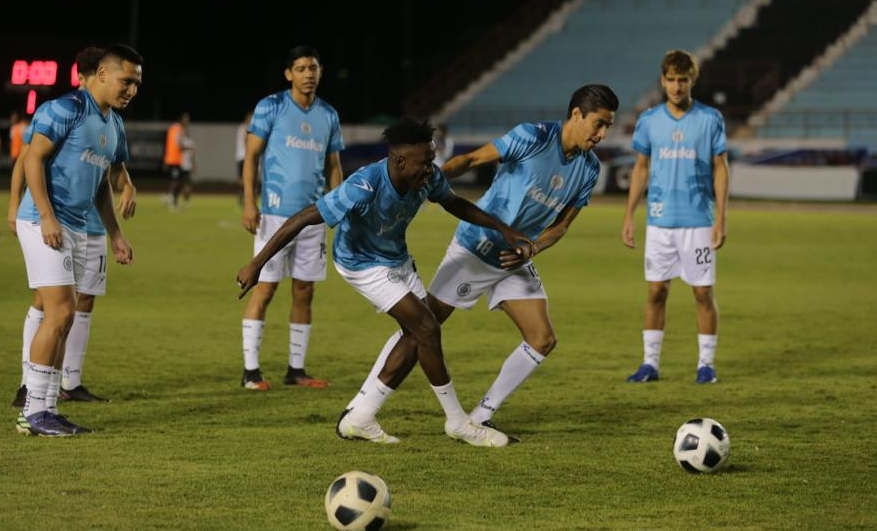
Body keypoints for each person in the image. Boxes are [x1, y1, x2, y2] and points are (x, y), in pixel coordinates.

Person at [236, 118, 537, 447]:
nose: (431, 168)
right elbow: (305, 217)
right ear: (400, 161)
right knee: (426, 327)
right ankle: (459, 422)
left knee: (417, 334)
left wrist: (504, 230)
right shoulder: (363, 185)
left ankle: (361, 417)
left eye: (432, 159)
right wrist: (257, 263)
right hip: (360, 262)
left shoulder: (427, 178)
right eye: (425, 162)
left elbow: (453, 203)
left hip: (396, 258)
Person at [353, 85, 619, 439]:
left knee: (542, 339)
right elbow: (472, 160)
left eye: (607, 128)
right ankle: (363, 407)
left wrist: (533, 248)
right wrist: (435, 181)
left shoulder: (588, 169)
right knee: (420, 330)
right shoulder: (533, 137)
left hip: (514, 258)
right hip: (475, 249)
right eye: (598, 124)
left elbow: (562, 226)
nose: (602, 134)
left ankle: (480, 416)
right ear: (576, 115)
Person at [13, 44, 141, 437]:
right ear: (102, 75)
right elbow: (32, 159)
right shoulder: (65, 109)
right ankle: (33, 411)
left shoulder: (114, 125)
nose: (131, 90)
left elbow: (104, 184)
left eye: (136, 83)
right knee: (61, 313)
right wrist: (47, 216)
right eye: (126, 80)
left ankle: (45, 409)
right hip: (45, 221)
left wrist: (117, 233)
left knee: (65, 318)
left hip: (80, 226)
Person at [239, 46, 344, 391]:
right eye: (300, 68)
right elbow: (251, 158)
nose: (308, 74)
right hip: (273, 214)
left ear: (320, 71)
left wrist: (339, 205)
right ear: (288, 74)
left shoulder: (328, 114)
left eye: (313, 67)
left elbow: (333, 166)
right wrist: (249, 204)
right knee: (265, 288)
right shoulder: (271, 106)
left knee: (304, 291)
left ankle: (295, 370)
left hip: (313, 217)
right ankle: (250, 372)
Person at [621, 49, 729, 385]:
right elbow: (640, 169)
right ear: (663, 80)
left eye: (683, 80)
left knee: (702, 294)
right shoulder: (649, 121)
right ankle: (649, 364)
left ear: (692, 80)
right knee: (655, 292)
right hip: (659, 222)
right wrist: (629, 216)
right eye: (671, 80)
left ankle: (706, 366)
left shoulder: (710, 119)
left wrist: (721, 218)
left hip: (698, 221)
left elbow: (720, 168)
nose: (677, 86)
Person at [163, 112, 190, 211]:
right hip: (175, 160)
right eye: (186, 120)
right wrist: (188, 148)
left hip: (171, 159)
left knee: (175, 181)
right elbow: (179, 144)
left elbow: (168, 144)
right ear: (181, 120)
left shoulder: (172, 128)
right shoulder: (180, 129)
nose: (187, 122)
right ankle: (173, 202)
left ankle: (171, 199)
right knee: (177, 182)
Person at [236, 110, 252, 205]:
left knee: (241, 178)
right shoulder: (245, 128)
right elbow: (245, 140)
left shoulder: (240, 127)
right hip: (244, 156)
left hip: (239, 156)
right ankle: (244, 197)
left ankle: (241, 196)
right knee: (247, 178)